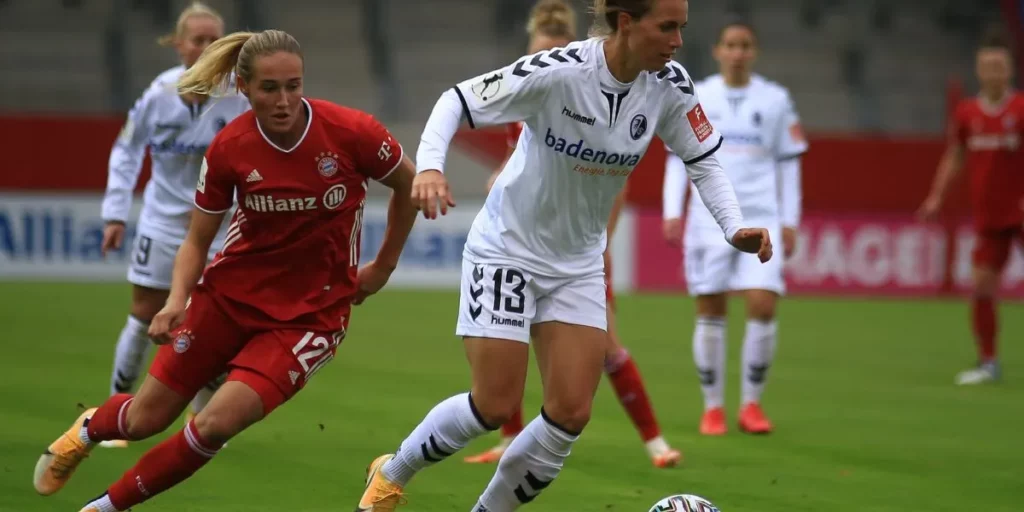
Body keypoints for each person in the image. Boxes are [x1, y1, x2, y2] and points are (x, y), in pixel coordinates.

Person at [355, 0, 773, 510]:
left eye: (682, 28)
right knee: (494, 404)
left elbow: (703, 161)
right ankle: (393, 472)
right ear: (626, 22)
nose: (678, 41)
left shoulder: (671, 85)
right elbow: (457, 101)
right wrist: (430, 168)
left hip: (577, 263)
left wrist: (733, 226)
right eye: (667, 27)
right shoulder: (560, 71)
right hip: (508, 247)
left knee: (570, 412)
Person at [32, 29, 419, 512]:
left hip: (309, 317)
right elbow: (197, 239)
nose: (284, 100)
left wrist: (382, 265)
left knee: (213, 425)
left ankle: (104, 508)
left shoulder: (352, 131)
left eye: (293, 86)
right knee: (144, 420)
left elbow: (410, 184)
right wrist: (176, 301)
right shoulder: (229, 147)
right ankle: (88, 429)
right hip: (228, 299)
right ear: (243, 87)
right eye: (269, 88)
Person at [466, 0, 681, 469]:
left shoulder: (590, 96)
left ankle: (655, 441)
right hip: (526, 243)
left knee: (606, 348)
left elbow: (610, 184)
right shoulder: (522, 106)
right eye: (535, 54)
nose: (539, 65)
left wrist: (602, 245)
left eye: (551, 52)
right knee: (509, 339)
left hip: (578, 250)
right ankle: (510, 438)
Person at [98, 1, 247, 449]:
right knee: (145, 314)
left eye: (213, 40)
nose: (205, 47)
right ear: (178, 44)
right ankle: (115, 408)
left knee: (217, 320)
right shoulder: (158, 94)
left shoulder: (239, 97)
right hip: (162, 223)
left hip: (219, 227)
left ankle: (202, 419)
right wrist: (114, 212)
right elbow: (127, 150)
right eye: (197, 39)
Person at [661, 21, 806, 436]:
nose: (737, 52)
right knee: (710, 308)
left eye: (745, 45)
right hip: (708, 219)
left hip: (762, 216)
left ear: (754, 52)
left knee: (763, 304)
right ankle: (712, 409)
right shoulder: (698, 95)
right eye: (730, 45)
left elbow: (789, 163)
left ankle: (751, 404)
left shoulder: (776, 99)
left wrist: (790, 221)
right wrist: (673, 210)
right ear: (718, 51)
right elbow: (678, 158)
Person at [918, 30, 1024, 385]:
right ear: (979, 70)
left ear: (1009, 69)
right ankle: (988, 361)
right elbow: (955, 156)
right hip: (990, 215)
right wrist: (936, 197)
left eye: (1000, 66)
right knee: (981, 287)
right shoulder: (967, 113)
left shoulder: (1021, 109)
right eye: (987, 66)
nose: (994, 72)